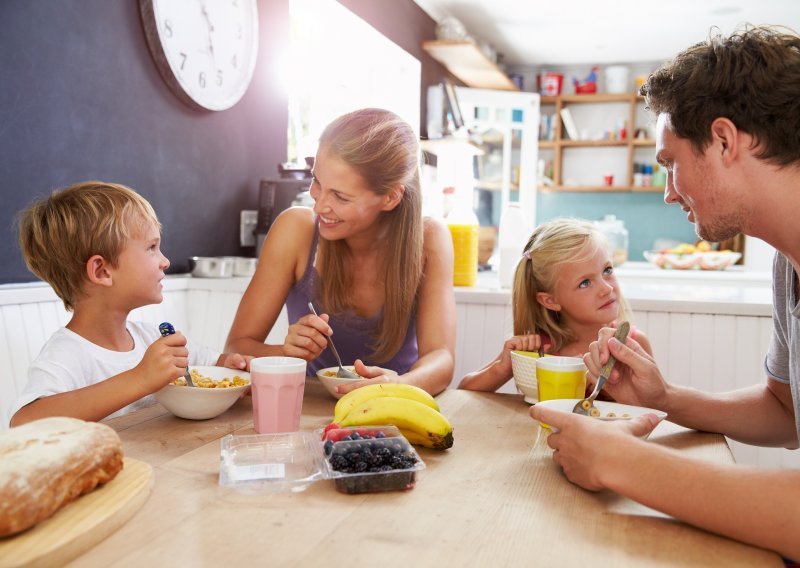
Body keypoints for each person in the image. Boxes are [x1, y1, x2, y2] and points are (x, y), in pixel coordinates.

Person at [530, 26, 800, 561]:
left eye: (671, 162)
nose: (670, 191)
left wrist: (623, 462)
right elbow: (784, 411)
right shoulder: (786, 267)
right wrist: (665, 399)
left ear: (724, 140)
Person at [225, 108, 456, 395]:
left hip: (396, 406)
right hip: (306, 408)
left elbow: (442, 359)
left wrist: (398, 385)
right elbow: (236, 348)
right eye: (317, 182)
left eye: (341, 196)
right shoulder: (296, 230)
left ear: (391, 197)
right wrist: (286, 352)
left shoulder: (430, 239)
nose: (319, 206)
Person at [9, 181, 249, 427]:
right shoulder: (67, 354)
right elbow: (23, 423)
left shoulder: (150, 337)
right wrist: (139, 379)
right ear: (102, 271)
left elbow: (214, 363)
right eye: (151, 248)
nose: (165, 261)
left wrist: (231, 365)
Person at [459, 218, 651, 392]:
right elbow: (465, 391)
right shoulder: (538, 350)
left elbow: (653, 405)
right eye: (585, 282)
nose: (607, 288)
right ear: (550, 301)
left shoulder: (632, 344)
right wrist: (502, 367)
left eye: (607, 270)